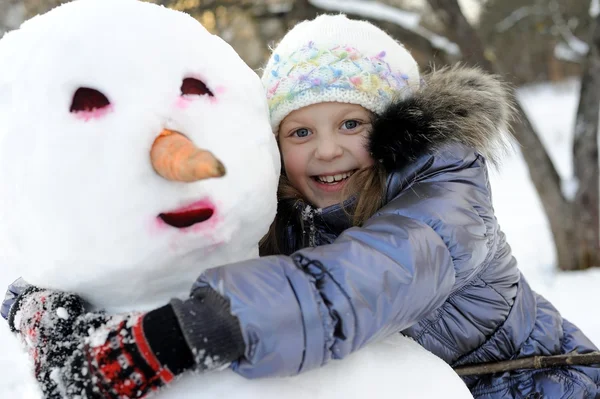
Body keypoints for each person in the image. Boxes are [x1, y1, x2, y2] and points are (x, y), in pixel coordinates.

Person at [4, 14, 600, 399]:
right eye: (300, 133)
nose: (328, 149)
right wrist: (41, 305)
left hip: (545, 382)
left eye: (351, 122)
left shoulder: (445, 194)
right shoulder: (284, 214)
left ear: (396, 131)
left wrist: (184, 334)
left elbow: (362, 281)